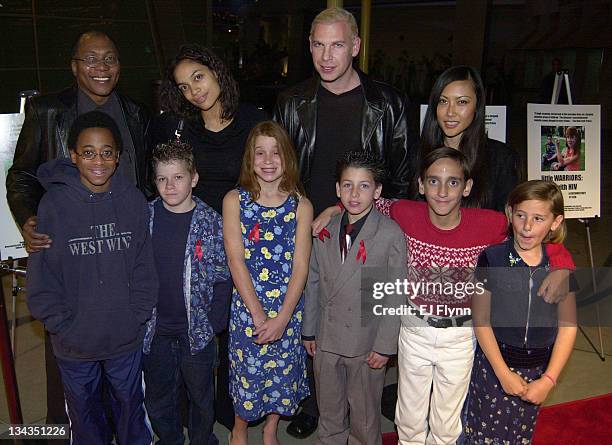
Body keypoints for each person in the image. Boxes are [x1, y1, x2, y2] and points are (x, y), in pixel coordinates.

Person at [274, 8, 416, 435]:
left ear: (355, 46)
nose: (327, 56)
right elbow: (281, 172)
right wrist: (305, 216)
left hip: (366, 225)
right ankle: (316, 406)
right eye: (318, 45)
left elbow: (402, 174)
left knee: (363, 325)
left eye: (337, 45)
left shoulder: (388, 102)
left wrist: (359, 213)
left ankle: (364, 410)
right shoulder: (292, 102)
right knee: (314, 316)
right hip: (308, 229)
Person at [6, 31, 150, 427]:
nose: (101, 67)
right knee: (74, 387)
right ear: (74, 66)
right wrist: (30, 218)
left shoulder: (136, 111)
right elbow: (20, 176)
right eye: (91, 59)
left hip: (119, 250)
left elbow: (143, 180)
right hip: (72, 256)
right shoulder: (48, 110)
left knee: (125, 389)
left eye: (110, 58)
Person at [388, 148, 574, 445]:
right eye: (433, 182)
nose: (442, 191)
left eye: (453, 183)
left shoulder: (489, 223)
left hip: (461, 335)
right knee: (408, 415)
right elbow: (367, 202)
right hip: (414, 329)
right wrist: (333, 210)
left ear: (468, 187)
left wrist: (562, 262)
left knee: (447, 420)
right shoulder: (405, 212)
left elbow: (530, 233)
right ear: (421, 185)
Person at [150, 43, 267, 430]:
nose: (194, 90)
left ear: (216, 72)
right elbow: (168, 182)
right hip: (195, 242)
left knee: (236, 326)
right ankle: (191, 408)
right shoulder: (180, 127)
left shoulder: (253, 121)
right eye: (184, 86)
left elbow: (270, 177)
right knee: (196, 327)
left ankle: (231, 407)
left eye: (198, 77)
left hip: (244, 239)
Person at [26, 111, 157, 444]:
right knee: (84, 414)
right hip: (74, 341)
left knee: (130, 408)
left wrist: (136, 315)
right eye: (88, 152)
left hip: (124, 336)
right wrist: (60, 322)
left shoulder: (133, 201)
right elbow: (43, 274)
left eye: (107, 152)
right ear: (73, 155)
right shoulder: (53, 204)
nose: (98, 160)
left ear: (117, 157)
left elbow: (144, 265)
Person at [302, 150, 407, 445]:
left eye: (364, 186)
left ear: (377, 191)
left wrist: (385, 346)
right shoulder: (325, 230)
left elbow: (393, 295)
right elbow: (313, 281)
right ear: (337, 189)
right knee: (330, 411)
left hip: (365, 342)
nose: (355, 194)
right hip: (327, 338)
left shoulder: (389, 235)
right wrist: (309, 330)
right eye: (347, 185)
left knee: (363, 415)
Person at [464, 180, 577, 443]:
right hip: (493, 367)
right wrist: (503, 373)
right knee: (481, 434)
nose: (527, 226)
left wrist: (548, 380)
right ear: (509, 213)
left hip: (537, 372)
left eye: (538, 218)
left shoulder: (561, 268)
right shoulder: (492, 258)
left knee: (518, 435)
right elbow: (480, 318)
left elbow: (568, 327)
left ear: (555, 222)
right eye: (521, 215)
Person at [223, 121, 312, 445]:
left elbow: (301, 265)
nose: (268, 160)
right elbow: (236, 260)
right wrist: (260, 316)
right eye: (260, 153)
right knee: (248, 374)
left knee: (282, 373)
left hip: (287, 308)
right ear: (250, 158)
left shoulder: (301, 205)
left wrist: (283, 318)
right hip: (249, 308)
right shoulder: (235, 200)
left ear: (287, 157)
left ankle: (271, 429)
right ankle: (240, 428)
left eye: (276, 152)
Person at [143, 140, 231, 445]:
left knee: (201, 397)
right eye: (162, 179)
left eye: (178, 177)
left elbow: (223, 274)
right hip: (155, 332)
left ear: (193, 178)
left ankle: (202, 439)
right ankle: (169, 439)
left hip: (198, 332)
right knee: (158, 396)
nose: (169, 186)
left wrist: (215, 319)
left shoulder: (212, 223)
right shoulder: (145, 218)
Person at [418, 65, 519, 212]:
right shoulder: (416, 154)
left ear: (477, 106)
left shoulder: (501, 159)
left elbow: (506, 222)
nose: (450, 112)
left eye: (462, 102)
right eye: (443, 101)